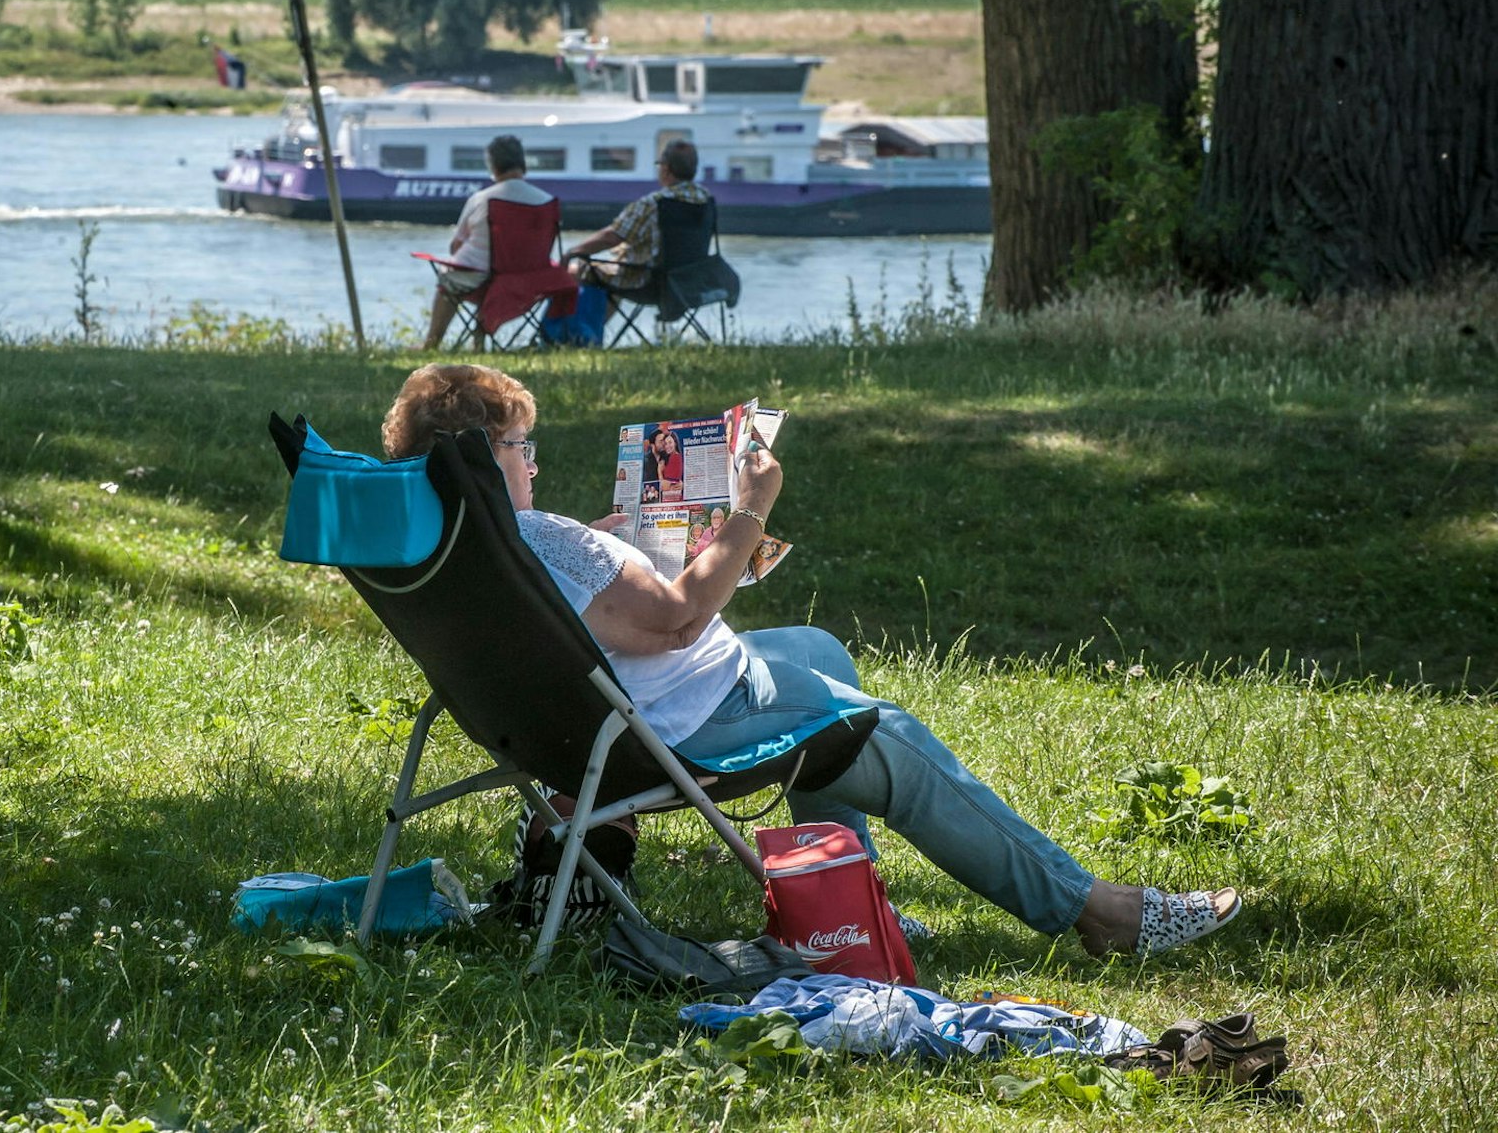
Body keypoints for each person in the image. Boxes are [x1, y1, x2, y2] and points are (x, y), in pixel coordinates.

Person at [379, 363, 1243, 958]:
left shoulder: (455, 544)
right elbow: (680, 619)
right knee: (885, 737)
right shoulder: (544, 539)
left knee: (821, 650)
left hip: (585, 725)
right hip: (681, 725)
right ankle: (1095, 908)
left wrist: (618, 558)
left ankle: (847, 905)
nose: (533, 460)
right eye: (523, 447)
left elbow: (586, 614)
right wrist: (749, 510)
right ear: (485, 456)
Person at [421, 134, 555, 349]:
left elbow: (456, 246)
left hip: (483, 278)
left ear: (493, 165)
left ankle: (431, 343)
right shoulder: (547, 201)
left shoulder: (481, 199)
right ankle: (482, 340)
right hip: (530, 280)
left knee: (449, 278)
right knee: (481, 276)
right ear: (523, 163)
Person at [564, 137, 711, 293]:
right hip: (688, 281)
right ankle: (597, 316)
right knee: (614, 271)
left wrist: (572, 252)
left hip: (651, 282)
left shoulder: (655, 203)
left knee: (575, 271)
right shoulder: (706, 199)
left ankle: (577, 318)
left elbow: (611, 237)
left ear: (666, 169)